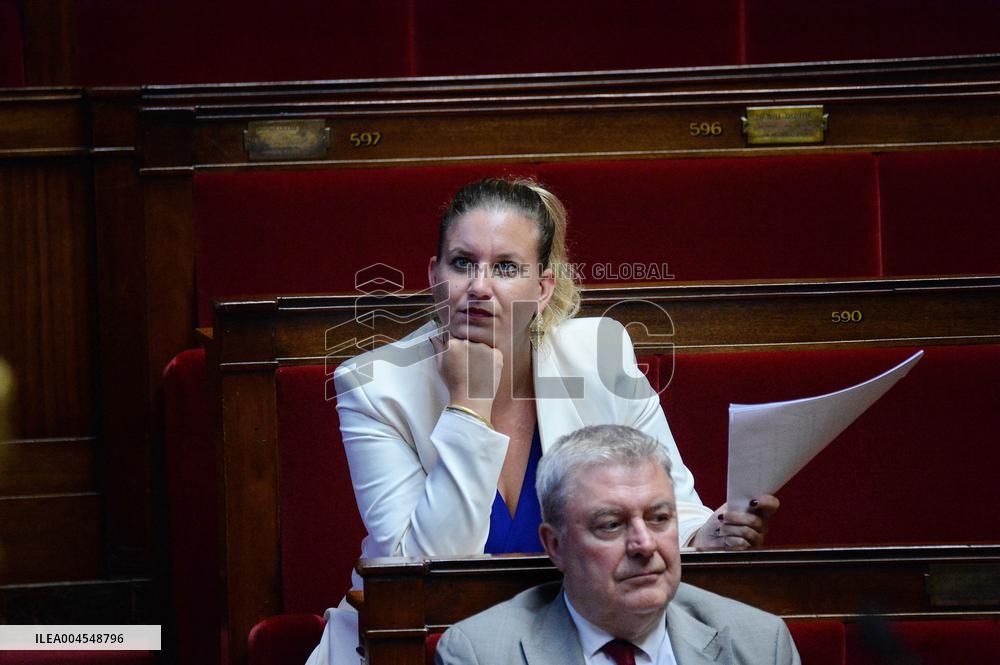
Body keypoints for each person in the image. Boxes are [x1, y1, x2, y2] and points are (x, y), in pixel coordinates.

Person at [306, 178, 779, 664]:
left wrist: (710, 535)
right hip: (412, 646)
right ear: (434, 275)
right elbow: (418, 575)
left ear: (542, 287)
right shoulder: (374, 384)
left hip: (572, 639)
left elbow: (675, 509)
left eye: (506, 267)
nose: (478, 287)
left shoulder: (600, 355)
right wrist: (468, 405)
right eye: (462, 263)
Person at [435, 425, 800, 665]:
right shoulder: (482, 654)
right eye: (611, 525)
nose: (644, 544)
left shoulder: (759, 646)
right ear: (556, 546)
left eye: (659, 519)